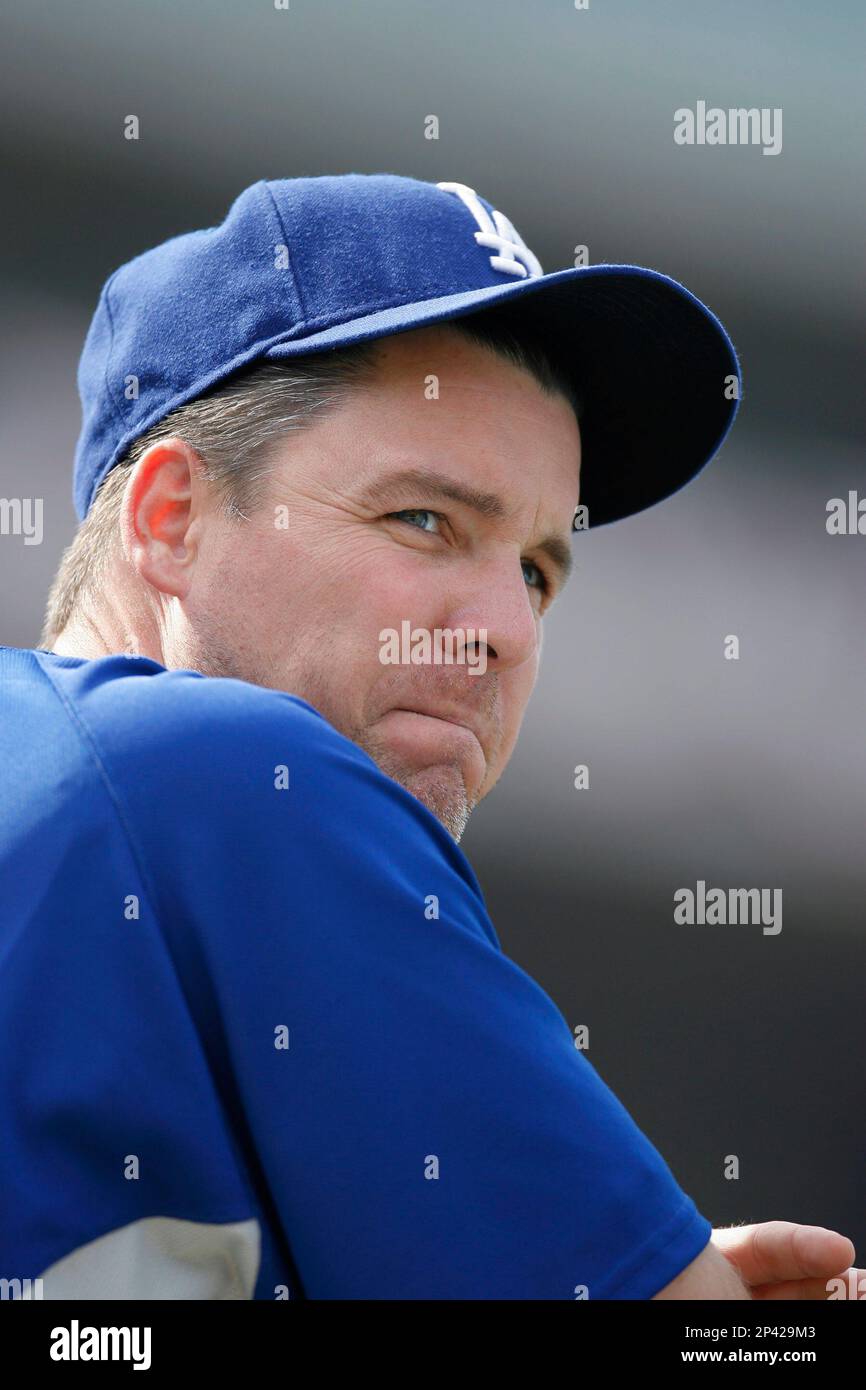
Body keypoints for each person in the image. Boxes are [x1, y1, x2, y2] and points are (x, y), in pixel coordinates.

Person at [0, 175, 857, 1300]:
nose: (505, 630)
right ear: (173, 517)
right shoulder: (227, 776)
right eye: (423, 519)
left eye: (538, 570)